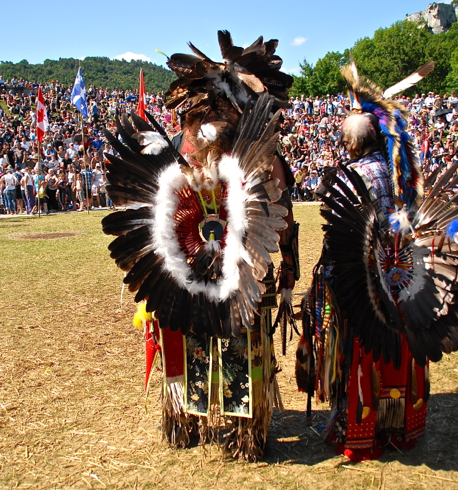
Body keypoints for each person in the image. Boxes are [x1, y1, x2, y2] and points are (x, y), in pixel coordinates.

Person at [101, 31, 298, 462]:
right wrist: (285, 275)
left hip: (222, 272)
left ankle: (203, 425)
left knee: (226, 344)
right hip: (210, 271)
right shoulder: (250, 154)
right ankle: (221, 428)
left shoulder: (210, 150)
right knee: (207, 341)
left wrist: (283, 277)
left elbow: (284, 223)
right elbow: (285, 226)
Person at [298, 59, 458, 462]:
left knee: (362, 350)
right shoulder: (397, 173)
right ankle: (402, 426)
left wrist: (323, 282)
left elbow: (337, 238)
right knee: (401, 347)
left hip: (361, 280)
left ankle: (360, 432)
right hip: (400, 277)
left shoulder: (350, 175)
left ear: (354, 142)